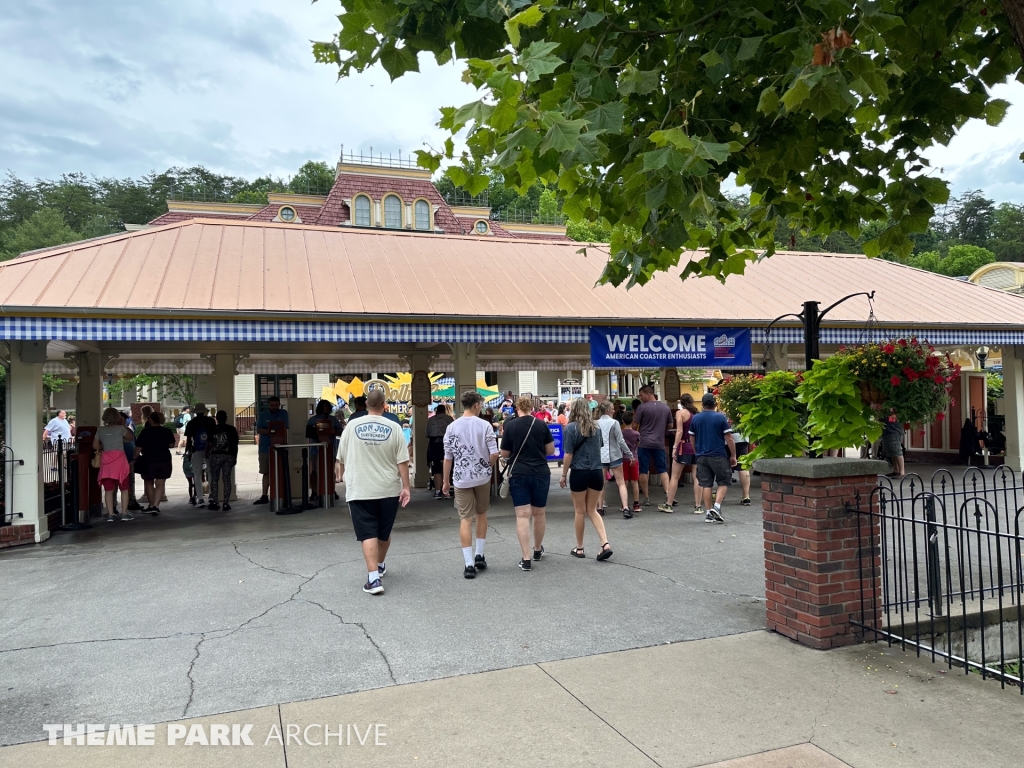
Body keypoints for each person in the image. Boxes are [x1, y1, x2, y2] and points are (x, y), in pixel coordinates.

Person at [335, 389, 411, 595]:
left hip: (360, 488)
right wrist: (406, 487)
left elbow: (340, 458)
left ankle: (374, 579)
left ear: (366, 404)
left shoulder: (351, 426)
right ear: (384, 405)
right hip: (388, 488)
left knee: (368, 532)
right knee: (383, 533)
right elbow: (402, 461)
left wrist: (340, 477)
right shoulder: (394, 427)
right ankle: (379, 564)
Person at [443, 391, 499, 578]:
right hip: (482, 478)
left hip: (461, 478)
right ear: (475, 405)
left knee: (465, 519)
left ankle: (468, 565)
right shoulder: (485, 426)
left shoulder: (452, 427)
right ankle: (480, 554)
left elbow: (448, 458)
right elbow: (494, 453)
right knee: (481, 514)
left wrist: (445, 481)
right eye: (480, 404)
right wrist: (486, 467)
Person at [500, 395, 556, 571]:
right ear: (532, 408)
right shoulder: (541, 425)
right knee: (539, 514)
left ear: (517, 408)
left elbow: (505, 453)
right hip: (540, 472)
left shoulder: (510, 426)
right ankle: (538, 550)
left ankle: (526, 559)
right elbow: (550, 450)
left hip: (519, 473)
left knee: (522, 515)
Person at [562, 398, 612, 561]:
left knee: (579, 511)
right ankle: (605, 543)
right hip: (596, 471)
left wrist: (563, 475)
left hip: (579, 472)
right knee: (592, 510)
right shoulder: (596, 427)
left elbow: (568, 454)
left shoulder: (570, 428)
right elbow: (600, 446)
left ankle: (580, 547)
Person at [690, 393, 737, 524]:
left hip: (701, 456)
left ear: (702, 404)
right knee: (723, 481)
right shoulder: (721, 418)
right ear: (715, 404)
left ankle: (708, 513)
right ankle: (716, 507)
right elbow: (729, 438)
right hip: (718, 455)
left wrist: (696, 452)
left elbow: (692, 438)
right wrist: (733, 455)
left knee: (706, 484)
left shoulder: (696, 418)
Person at [634, 385, 673, 508]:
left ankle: (646, 497)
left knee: (644, 469)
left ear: (649, 394)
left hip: (644, 442)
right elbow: (670, 425)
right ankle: (668, 494)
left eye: (641, 395)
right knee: (662, 468)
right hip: (659, 443)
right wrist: (661, 430)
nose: (640, 397)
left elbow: (635, 425)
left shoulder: (642, 408)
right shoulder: (665, 408)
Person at [94, 408, 135, 522]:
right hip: (120, 461)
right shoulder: (121, 428)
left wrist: (107, 446)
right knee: (124, 488)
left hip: (107, 462)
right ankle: (124, 513)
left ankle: (111, 514)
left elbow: (95, 445)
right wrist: (123, 425)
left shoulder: (100, 430)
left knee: (108, 489)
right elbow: (130, 437)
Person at [663, 393, 701, 514]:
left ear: (681, 402)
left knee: (675, 476)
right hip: (696, 447)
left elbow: (679, 431)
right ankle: (698, 506)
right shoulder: (697, 415)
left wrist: (675, 447)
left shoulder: (680, 413)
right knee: (697, 477)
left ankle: (669, 504)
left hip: (683, 447)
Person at [597, 401, 635, 519]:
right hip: (615, 455)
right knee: (621, 482)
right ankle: (625, 508)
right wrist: (630, 454)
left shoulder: (595, 423)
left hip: (601, 456)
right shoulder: (615, 423)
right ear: (608, 410)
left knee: (601, 484)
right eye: (613, 409)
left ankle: (600, 508)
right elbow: (620, 441)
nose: (614, 410)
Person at [134, 411, 176, 514]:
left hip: (149, 460)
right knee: (160, 483)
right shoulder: (166, 431)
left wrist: (134, 458)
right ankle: (156, 505)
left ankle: (151, 504)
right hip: (164, 459)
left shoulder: (145, 432)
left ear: (151, 419)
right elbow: (171, 445)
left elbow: (138, 447)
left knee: (149, 482)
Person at [306, 399, 344, 503]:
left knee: (330, 471)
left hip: (330, 449)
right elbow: (308, 434)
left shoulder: (333, 420)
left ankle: (332, 490)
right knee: (314, 471)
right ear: (320, 408)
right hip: (315, 449)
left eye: (327, 407)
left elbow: (341, 432)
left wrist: (333, 431)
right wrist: (319, 432)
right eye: (324, 407)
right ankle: (314, 492)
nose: (326, 409)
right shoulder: (312, 420)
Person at [254, 396, 289, 505]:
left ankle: (282, 494)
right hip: (265, 447)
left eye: (276, 405)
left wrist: (285, 443)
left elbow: (285, 429)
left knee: (280, 471)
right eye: (272, 405)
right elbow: (259, 429)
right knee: (266, 472)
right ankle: (264, 495)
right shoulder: (262, 415)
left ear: (279, 404)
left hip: (280, 446)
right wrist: (271, 431)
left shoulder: (284, 414)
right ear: (269, 405)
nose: (274, 407)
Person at [185, 403, 216, 506]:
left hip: (196, 449)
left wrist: (189, 452)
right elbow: (214, 436)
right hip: (210, 449)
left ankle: (200, 498)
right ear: (204, 411)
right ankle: (212, 495)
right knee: (211, 472)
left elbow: (189, 440)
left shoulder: (191, 423)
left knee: (197, 474)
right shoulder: (211, 421)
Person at [207, 410, 239, 510]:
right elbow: (235, 445)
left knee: (214, 480)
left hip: (215, 456)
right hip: (228, 456)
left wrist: (207, 454)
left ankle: (216, 502)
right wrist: (235, 457)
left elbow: (209, 444)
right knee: (226, 480)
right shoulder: (232, 429)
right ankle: (226, 503)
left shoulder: (212, 429)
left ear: (216, 418)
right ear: (226, 418)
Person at [427, 402, 454, 498]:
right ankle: (446, 490)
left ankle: (438, 491)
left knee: (437, 468)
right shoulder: (450, 419)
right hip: (447, 445)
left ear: (437, 411)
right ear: (444, 411)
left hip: (434, 445)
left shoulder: (430, 420)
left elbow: (427, 434)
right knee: (448, 467)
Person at [621, 411, 642, 513]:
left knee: (624, 482)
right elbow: (638, 444)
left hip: (623, 459)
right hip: (634, 458)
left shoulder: (621, 432)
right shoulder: (636, 433)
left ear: (623, 421)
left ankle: (624, 504)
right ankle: (636, 504)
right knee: (634, 482)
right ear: (632, 420)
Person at [732, 425, 752, 505]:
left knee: (725, 466)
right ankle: (746, 497)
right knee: (743, 467)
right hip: (742, 437)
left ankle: (721, 494)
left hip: (728, 439)